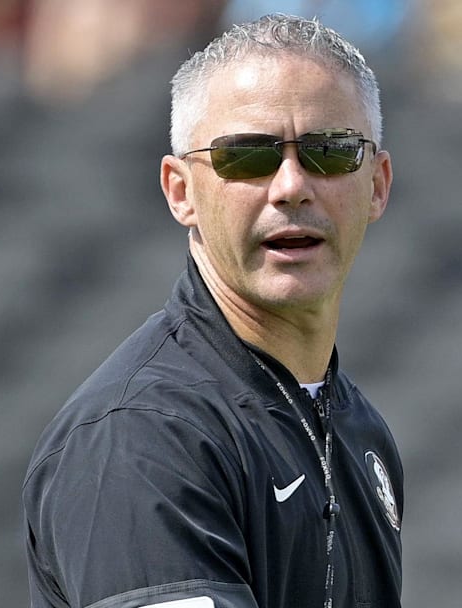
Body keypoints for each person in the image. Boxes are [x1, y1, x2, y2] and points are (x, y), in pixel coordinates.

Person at [22, 13, 400, 608]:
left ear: (377, 185)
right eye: (246, 157)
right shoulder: (141, 437)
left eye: (330, 151)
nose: (291, 186)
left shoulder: (359, 428)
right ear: (181, 191)